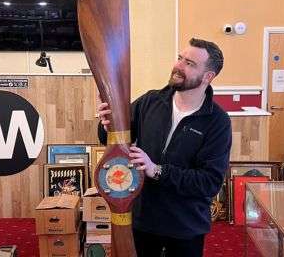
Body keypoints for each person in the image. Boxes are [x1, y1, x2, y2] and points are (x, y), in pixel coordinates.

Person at [97, 37, 232, 257]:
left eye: (189, 64)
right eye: (180, 58)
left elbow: (209, 183)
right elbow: (114, 142)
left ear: (208, 76)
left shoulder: (217, 122)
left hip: (185, 228)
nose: (178, 66)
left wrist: (157, 170)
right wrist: (107, 125)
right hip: (143, 221)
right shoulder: (150, 101)